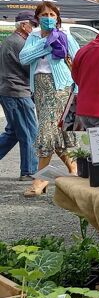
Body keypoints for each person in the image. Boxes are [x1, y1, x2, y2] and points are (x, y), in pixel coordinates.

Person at [19, 1, 81, 197]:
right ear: (37, 18)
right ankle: (75, 170)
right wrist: (47, 45)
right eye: (44, 14)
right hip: (40, 88)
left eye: (52, 14)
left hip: (60, 88)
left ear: (57, 17)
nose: (48, 18)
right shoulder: (34, 37)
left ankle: (41, 178)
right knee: (57, 132)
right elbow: (24, 58)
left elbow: (79, 60)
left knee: (46, 131)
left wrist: (79, 88)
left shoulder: (66, 36)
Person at [0, 11, 39, 181]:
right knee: (29, 131)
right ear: (24, 25)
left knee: (14, 132)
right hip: (18, 92)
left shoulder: (8, 41)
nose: (35, 28)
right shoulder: (20, 43)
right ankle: (29, 170)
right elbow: (30, 69)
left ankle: (29, 169)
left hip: (9, 91)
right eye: (33, 25)